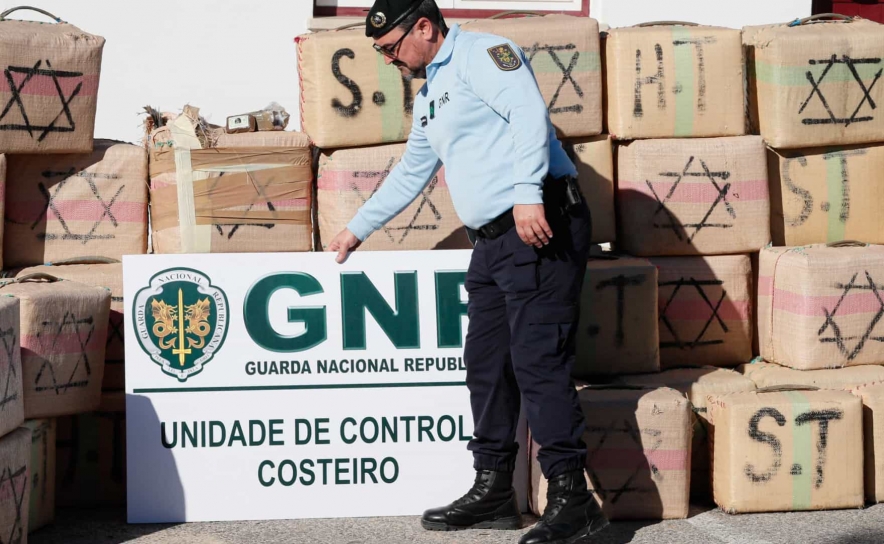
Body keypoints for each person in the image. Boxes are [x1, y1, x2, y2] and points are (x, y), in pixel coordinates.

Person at [327, 1, 609, 542]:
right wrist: (357, 228)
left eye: (389, 48)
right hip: (493, 243)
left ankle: (573, 499)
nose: (387, 60)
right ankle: (495, 488)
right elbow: (413, 169)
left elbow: (529, 113)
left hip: (538, 222)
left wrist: (528, 194)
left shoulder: (484, 54)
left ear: (425, 27)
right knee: (486, 363)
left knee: (537, 361)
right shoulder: (431, 92)